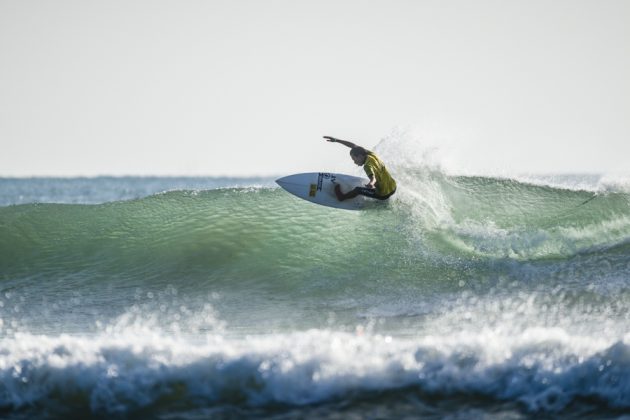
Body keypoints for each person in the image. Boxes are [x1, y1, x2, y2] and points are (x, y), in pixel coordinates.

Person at [324, 136, 397, 201]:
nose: (354, 162)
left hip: (383, 195)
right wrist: (337, 140)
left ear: (359, 156)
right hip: (393, 187)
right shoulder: (371, 154)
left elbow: (373, 178)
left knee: (358, 190)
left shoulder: (367, 166)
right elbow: (353, 146)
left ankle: (342, 197)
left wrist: (371, 184)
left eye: (354, 159)